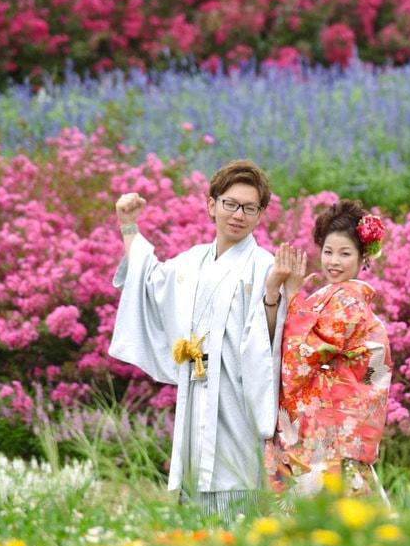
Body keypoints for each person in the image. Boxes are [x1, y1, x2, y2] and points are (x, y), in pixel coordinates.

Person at [108, 159, 285, 524]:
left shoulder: (264, 265)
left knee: (236, 483)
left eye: (250, 208)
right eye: (230, 204)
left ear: (260, 214)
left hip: (238, 398)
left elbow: (274, 337)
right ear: (211, 205)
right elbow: (150, 279)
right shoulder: (192, 262)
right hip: (197, 390)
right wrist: (128, 225)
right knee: (194, 480)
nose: (238, 215)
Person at [264, 199, 393, 502]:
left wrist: (294, 296)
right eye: (328, 252)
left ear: (364, 258)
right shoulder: (330, 295)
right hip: (327, 419)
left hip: (331, 422)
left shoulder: (349, 299)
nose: (334, 261)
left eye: (345, 253)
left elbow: (310, 350)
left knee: (328, 495)